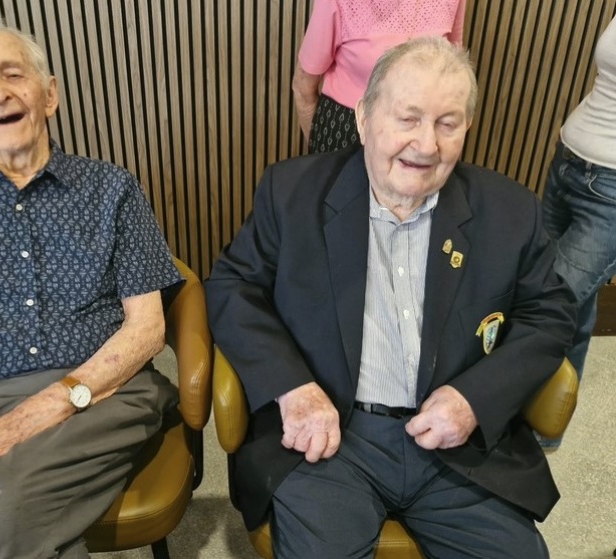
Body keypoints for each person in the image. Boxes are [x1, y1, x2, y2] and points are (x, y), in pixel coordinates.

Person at [207, 37, 576, 558]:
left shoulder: (510, 211)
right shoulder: (291, 193)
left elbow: (550, 314)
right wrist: (293, 389)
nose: (426, 145)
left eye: (447, 124)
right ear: (363, 118)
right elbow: (231, 286)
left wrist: (475, 398)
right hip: (332, 437)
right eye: (408, 119)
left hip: (456, 443)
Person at [0, 17, 182, 559]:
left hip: (104, 394)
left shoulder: (111, 189)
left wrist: (49, 404)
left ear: (49, 95)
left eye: (13, 73)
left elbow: (147, 329)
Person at [540, 0, 616, 438]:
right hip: (569, 163)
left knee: (545, 301)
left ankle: (514, 419)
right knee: (572, 305)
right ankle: (546, 425)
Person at [293, 0, 467, 153]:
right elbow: (303, 88)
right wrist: (321, 152)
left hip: (425, 131)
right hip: (348, 131)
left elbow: (453, 68)